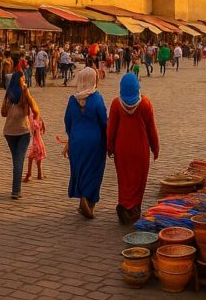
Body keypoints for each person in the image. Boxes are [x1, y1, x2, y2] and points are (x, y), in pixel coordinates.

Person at [107, 72, 160, 225]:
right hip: (140, 150)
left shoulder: (116, 104)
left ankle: (124, 205)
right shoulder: (145, 103)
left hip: (122, 150)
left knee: (124, 179)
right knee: (139, 180)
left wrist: (109, 147)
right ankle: (135, 208)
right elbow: (152, 129)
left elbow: (111, 129)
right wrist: (155, 148)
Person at [64, 65, 107, 219]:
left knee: (80, 169)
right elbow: (104, 121)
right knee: (94, 170)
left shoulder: (72, 100)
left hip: (76, 141)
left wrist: (72, 137)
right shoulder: (96, 98)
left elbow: (67, 122)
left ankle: (82, 196)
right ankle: (88, 201)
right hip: (95, 141)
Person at [1, 71, 39, 199]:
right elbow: (35, 110)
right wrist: (27, 94)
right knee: (19, 161)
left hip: (9, 131)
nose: (25, 81)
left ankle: (15, 188)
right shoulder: (24, 92)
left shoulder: (8, 93)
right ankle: (16, 191)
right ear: (19, 81)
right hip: (23, 131)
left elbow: (3, 113)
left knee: (16, 160)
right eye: (23, 79)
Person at [24, 106, 46, 182]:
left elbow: (33, 127)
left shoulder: (33, 122)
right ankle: (40, 174)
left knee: (30, 158)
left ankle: (29, 174)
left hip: (35, 142)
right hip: (40, 142)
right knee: (39, 159)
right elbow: (43, 130)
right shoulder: (40, 119)